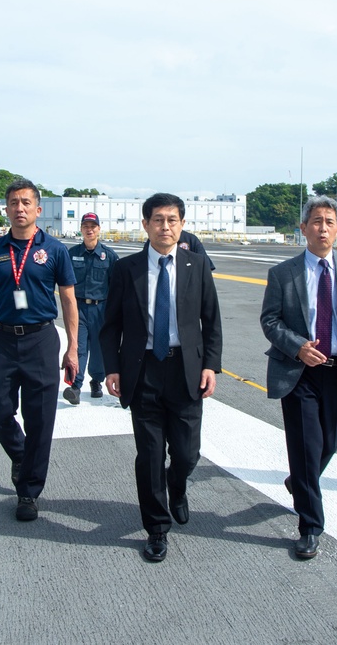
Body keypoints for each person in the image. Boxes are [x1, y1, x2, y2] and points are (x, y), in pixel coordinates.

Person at [260, 196, 337, 560]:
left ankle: (298, 482)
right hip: (299, 373)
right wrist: (298, 346)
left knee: (330, 439)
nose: (323, 228)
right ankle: (310, 526)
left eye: (330, 221)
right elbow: (270, 321)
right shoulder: (283, 273)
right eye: (316, 221)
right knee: (306, 446)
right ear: (303, 228)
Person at [101, 193, 222, 562]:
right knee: (150, 455)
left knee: (186, 454)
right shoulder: (126, 269)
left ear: (182, 224)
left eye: (172, 219)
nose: (165, 226)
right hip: (144, 371)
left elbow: (211, 320)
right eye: (157, 219)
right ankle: (156, 528)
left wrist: (210, 365)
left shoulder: (197, 265)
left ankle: (178, 485)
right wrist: (113, 368)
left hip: (185, 369)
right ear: (145, 224)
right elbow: (111, 326)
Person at [0, 178, 79, 522]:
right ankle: (22, 455)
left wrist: (73, 347)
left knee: (41, 419)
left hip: (41, 340)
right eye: (13, 203)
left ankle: (29, 492)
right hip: (2, 339)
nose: (19, 208)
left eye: (26, 203)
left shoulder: (56, 250)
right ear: (6, 209)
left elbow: (68, 300)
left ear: (38, 209)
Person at [63, 212, 119, 404]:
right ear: (81, 229)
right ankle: (75, 386)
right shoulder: (71, 254)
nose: (89, 229)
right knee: (78, 347)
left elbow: (116, 287)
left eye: (93, 226)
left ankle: (96, 381)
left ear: (98, 229)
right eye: (86, 226)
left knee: (98, 348)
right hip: (77, 309)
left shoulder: (109, 256)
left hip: (100, 310)